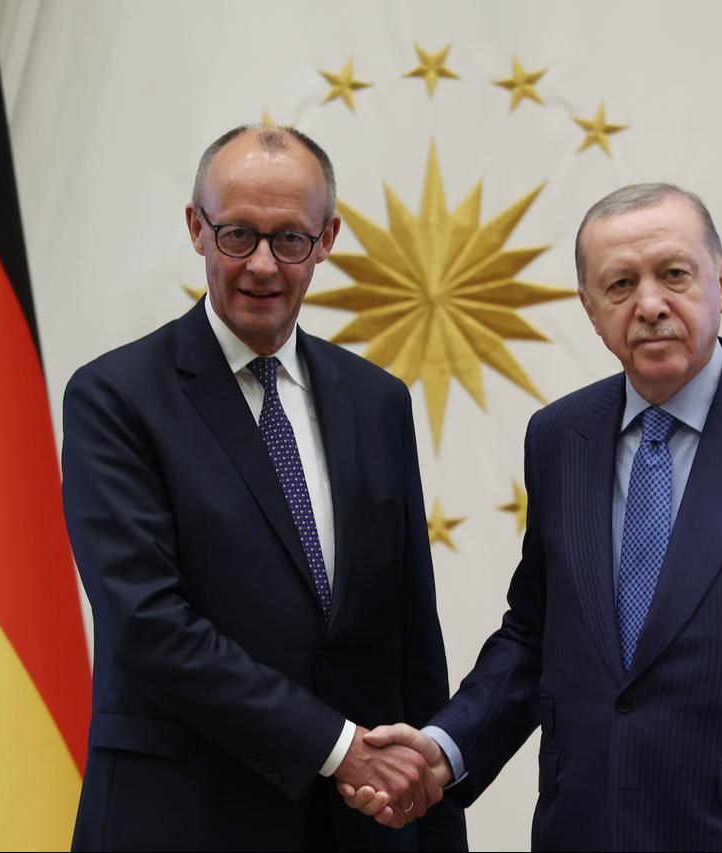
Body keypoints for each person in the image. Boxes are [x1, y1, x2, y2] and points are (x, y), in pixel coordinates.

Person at [342, 183, 722, 850]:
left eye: (673, 274)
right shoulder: (559, 438)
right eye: (619, 285)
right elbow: (537, 634)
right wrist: (444, 748)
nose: (649, 305)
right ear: (590, 308)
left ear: (721, 282)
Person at [61, 125, 466, 851]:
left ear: (328, 237)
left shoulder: (376, 401)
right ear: (197, 227)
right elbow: (149, 623)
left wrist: (433, 818)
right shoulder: (115, 397)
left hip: (362, 830)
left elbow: (410, 638)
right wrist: (338, 745)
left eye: (290, 240)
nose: (262, 266)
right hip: (184, 818)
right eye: (238, 235)